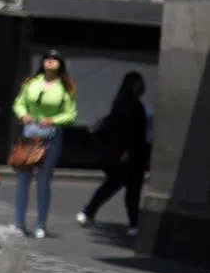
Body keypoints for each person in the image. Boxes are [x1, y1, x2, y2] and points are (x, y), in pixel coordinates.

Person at [10, 50, 78, 238]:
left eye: (55, 59)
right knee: (23, 179)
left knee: (44, 180)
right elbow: (19, 103)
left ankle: (41, 223)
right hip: (30, 134)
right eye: (47, 58)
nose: (50, 61)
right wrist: (23, 115)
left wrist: (53, 120)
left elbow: (70, 114)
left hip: (50, 136)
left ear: (60, 64)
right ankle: (19, 222)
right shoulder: (31, 82)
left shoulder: (65, 87)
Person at [77, 71, 150, 236]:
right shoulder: (134, 106)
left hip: (120, 154)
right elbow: (133, 132)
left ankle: (88, 212)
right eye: (140, 83)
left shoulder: (119, 103)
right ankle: (133, 224)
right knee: (131, 191)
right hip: (132, 156)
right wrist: (129, 151)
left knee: (111, 186)